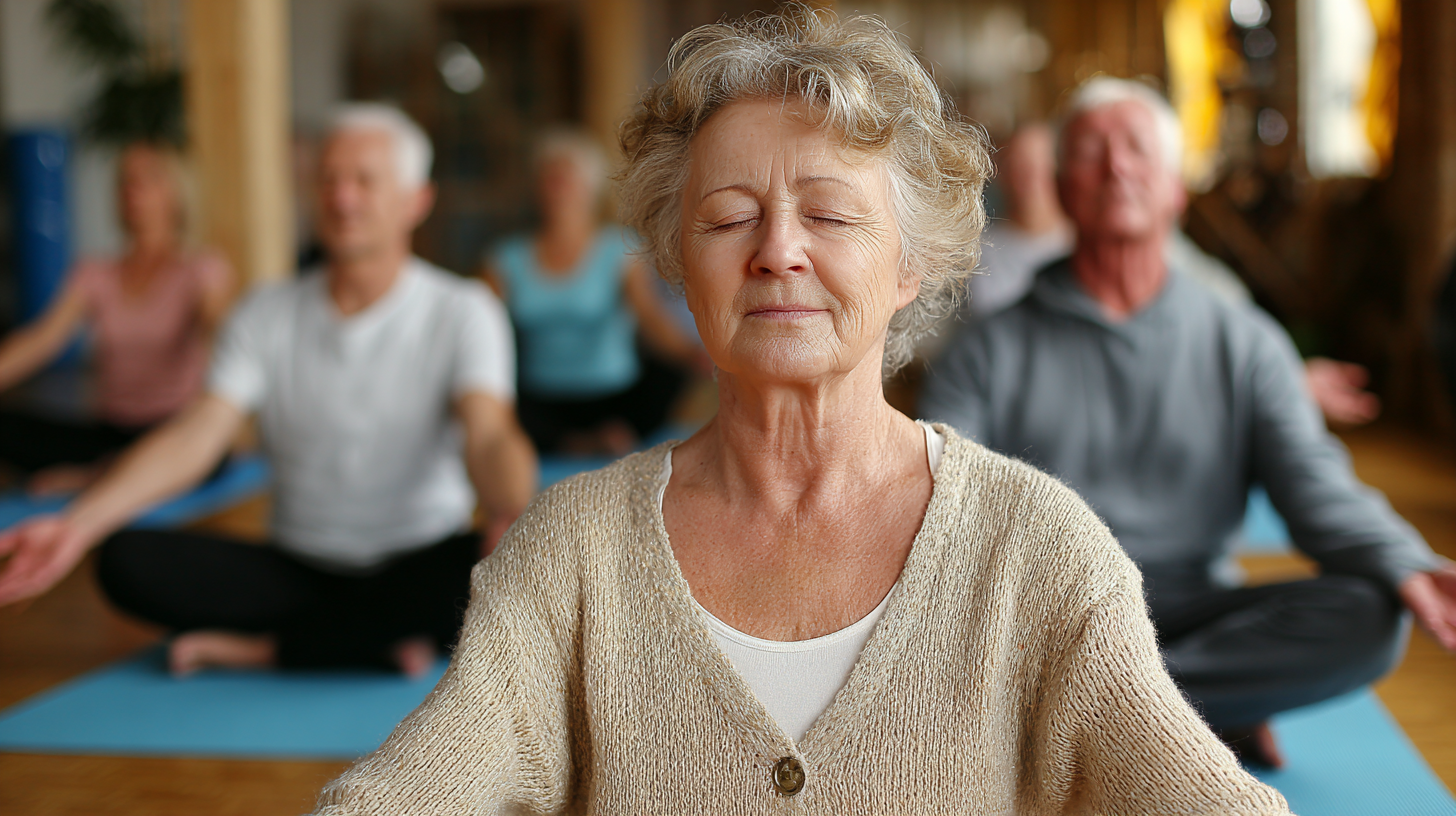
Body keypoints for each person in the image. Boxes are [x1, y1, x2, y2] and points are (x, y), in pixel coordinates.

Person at [312, 11, 1288, 814]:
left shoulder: (1036, 549)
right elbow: (402, 796)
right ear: (679, 268)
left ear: (909, 265)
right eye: (729, 218)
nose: (776, 251)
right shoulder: (570, 553)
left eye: (828, 215)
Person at [920, 76, 1456, 768]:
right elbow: (937, 492)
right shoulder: (989, 345)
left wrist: (1407, 561)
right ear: (1061, 186)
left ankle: (1090, 719)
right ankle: (1193, 718)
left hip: (1193, 604)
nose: (1117, 166)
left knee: (1373, 616)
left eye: (1137, 149)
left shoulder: (1244, 339)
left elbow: (1316, 486)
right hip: (1049, 612)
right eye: (1092, 151)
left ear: (1175, 188)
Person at [0, 104, 538, 677]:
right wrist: (75, 525)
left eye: (364, 180)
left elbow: (489, 432)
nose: (342, 197)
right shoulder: (265, 313)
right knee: (125, 560)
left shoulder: (463, 310)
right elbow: (198, 433)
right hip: (293, 567)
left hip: (418, 559)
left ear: (415, 200)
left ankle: (273, 647)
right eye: (328, 179)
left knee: (492, 572)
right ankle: (369, 637)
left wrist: (509, 509)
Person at [0, 142, 232, 494]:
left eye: (147, 179)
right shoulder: (94, 273)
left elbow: (219, 327)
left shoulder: (201, 270)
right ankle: (109, 472)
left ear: (176, 193)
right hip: (110, 433)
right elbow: (42, 339)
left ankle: (95, 478)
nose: (131, 190)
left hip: (171, 430)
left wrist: (217, 333)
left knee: (212, 452)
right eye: (124, 181)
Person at [483, 130, 706, 456]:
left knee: (669, 374)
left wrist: (693, 354)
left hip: (615, 397)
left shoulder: (618, 249)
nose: (557, 189)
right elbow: (482, 330)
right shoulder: (506, 259)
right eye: (549, 179)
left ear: (590, 188)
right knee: (496, 392)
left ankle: (605, 437)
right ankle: (577, 442)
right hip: (540, 399)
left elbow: (649, 318)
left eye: (566, 179)